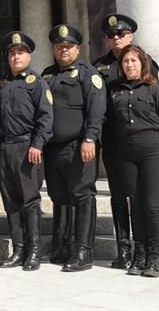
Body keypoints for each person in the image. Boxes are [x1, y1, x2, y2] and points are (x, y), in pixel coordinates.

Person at [104, 44, 159, 278]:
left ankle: (155, 258)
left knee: (151, 205)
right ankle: (140, 254)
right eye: (126, 61)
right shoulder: (113, 89)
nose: (129, 65)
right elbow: (108, 123)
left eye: (134, 61)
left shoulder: (153, 88)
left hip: (151, 152)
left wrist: (158, 147)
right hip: (125, 154)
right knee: (134, 204)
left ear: (142, 63)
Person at [41, 24, 105, 271]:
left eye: (68, 47)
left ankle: (83, 251)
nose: (63, 50)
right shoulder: (48, 75)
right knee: (60, 197)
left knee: (82, 196)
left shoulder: (88, 74)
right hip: (54, 148)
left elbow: (96, 109)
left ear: (77, 48)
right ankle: (62, 246)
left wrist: (90, 138)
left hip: (79, 146)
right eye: (59, 47)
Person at [92, 12, 154, 269]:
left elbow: (158, 101)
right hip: (113, 140)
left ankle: (144, 249)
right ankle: (123, 250)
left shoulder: (146, 63)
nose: (116, 38)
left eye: (121, 34)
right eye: (111, 35)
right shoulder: (98, 66)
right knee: (118, 197)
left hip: (140, 141)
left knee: (139, 197)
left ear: (131, 36)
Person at [0, 31, 53, 271]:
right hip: (5, 148)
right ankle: (19, 250)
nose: (16, 57)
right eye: (12, 53)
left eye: (20, 53)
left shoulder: (36, 83)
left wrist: (37, 144)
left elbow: (46, 117)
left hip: (27, 147)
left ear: (28, 56)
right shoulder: (2, 83)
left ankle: (34, 252)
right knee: (11, 201)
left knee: (29, 201)